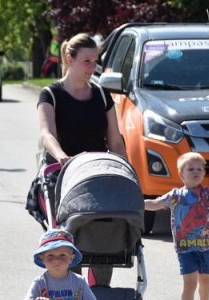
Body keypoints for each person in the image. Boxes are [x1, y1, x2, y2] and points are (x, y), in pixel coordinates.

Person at [37, 32, 126, 286]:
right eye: (86, 61)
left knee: (103, 230)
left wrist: (126, 172)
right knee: (68, 233)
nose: (92, 67)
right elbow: (47, 133)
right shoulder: (51, 94)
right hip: (62, 174)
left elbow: (115, 141)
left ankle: (99, 291)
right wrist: (61, 155)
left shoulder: (101, 95)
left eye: (95, 62)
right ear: (69, 59)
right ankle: (68, 288)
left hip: (96, 173)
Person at [144, 153, 209, 300]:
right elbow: (155, 203)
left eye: (199, 169)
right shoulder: (176, 195)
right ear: (181, 174)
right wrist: (135, 202)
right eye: (191, 169)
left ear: (204, 172)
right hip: (185, 248)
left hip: (206, 246)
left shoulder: (208, 193)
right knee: (190, 284)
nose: (196, 172)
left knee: (205, 281)